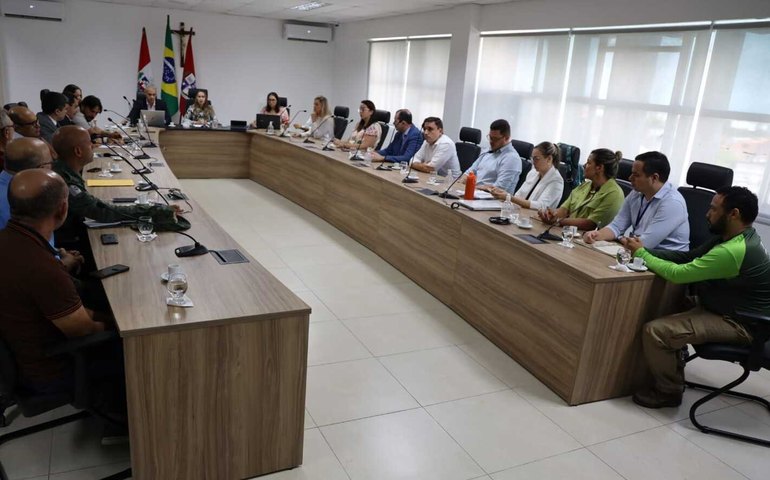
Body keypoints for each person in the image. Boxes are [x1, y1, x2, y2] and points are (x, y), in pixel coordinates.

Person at [0, 169, 126, 437]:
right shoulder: (39, 267)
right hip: (49, 370)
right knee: (138, 342)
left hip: (19, 353)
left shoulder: (10, 241)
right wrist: (123, 322)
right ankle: (129, 422)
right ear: (62, 209)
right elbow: (83, 329)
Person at [624, 186, 770, 408]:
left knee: (657, 331)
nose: (707, 213)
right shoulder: (733, 237)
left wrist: (642, 254)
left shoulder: (732, 250)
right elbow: (689, 257)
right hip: (723, 308)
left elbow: (678, 274)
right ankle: (672, 361)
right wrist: (645, 250)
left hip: (742, 323)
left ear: (734, 214)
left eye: (714, 209)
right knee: (666, 304)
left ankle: (668, 391)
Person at [51, 126, 181, 246]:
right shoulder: (64, 182)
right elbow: (104, 211)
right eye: (89, 143)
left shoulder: (63, 169)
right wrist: (154, 210)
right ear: (78, 151)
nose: (92, 145)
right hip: (73, 243)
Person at [583, 151, 689, 251]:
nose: (630, 178)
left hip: (665, 260)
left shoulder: (672, 203)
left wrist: (621, 238)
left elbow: (645, 244)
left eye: (636, 175)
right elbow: (617, 226)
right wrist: (596, 235)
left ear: (654, 178)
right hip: (637, 252)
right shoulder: (637, 193)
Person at [538, 148, 625, 230]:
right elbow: (563, 210)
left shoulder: (614, 193)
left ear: (599, 168)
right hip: (567, 233)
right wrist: (551, 215)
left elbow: (590, 224)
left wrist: (557, 220)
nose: (584, 165)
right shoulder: (584, 186)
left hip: (588, 241)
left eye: (588, 163)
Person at [491, 141, 562, 209]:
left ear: (549, 159)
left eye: (536, 159)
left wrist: (508, 197)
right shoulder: (533, 173)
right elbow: (518, 196)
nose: (533, 162)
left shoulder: (556, 181)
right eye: (532, 158)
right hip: (520, 212)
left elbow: (541, 206)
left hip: (535, 218)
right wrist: (505, 194)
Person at [461, 119, 521, 194]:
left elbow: (498, 189)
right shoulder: (488, 150)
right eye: (490, 137)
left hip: (494, 200)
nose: (491, 142)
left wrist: (473, 187)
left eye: (495, 139)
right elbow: (470, 172)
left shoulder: (511, 158)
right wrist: (460, 184)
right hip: (476, 193)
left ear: (506, 138)